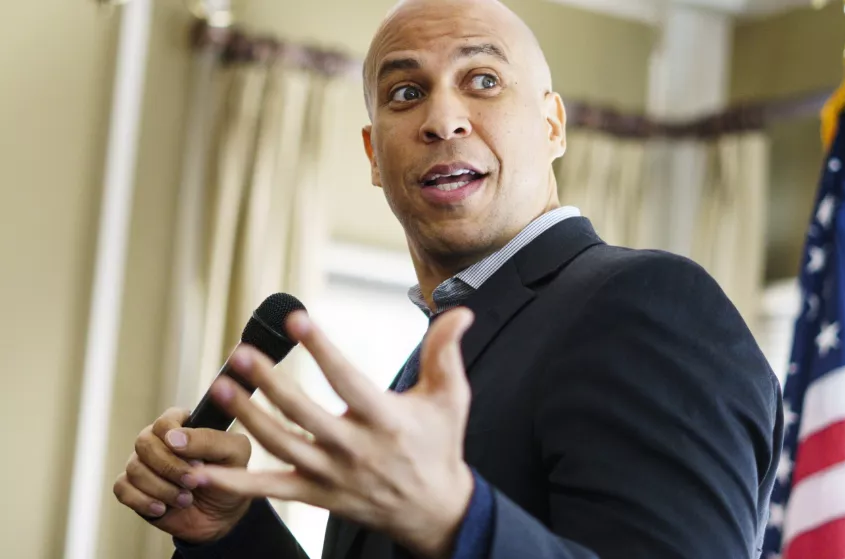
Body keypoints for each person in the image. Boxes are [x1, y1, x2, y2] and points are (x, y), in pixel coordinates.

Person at [112, 0, 784, 557]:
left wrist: (460, 517)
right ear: (375, 155)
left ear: (553, 125)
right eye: (406, 93)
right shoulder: (423, 370)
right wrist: (233, 530)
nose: (442, 120)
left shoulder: (647, 302)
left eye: (483, 81)